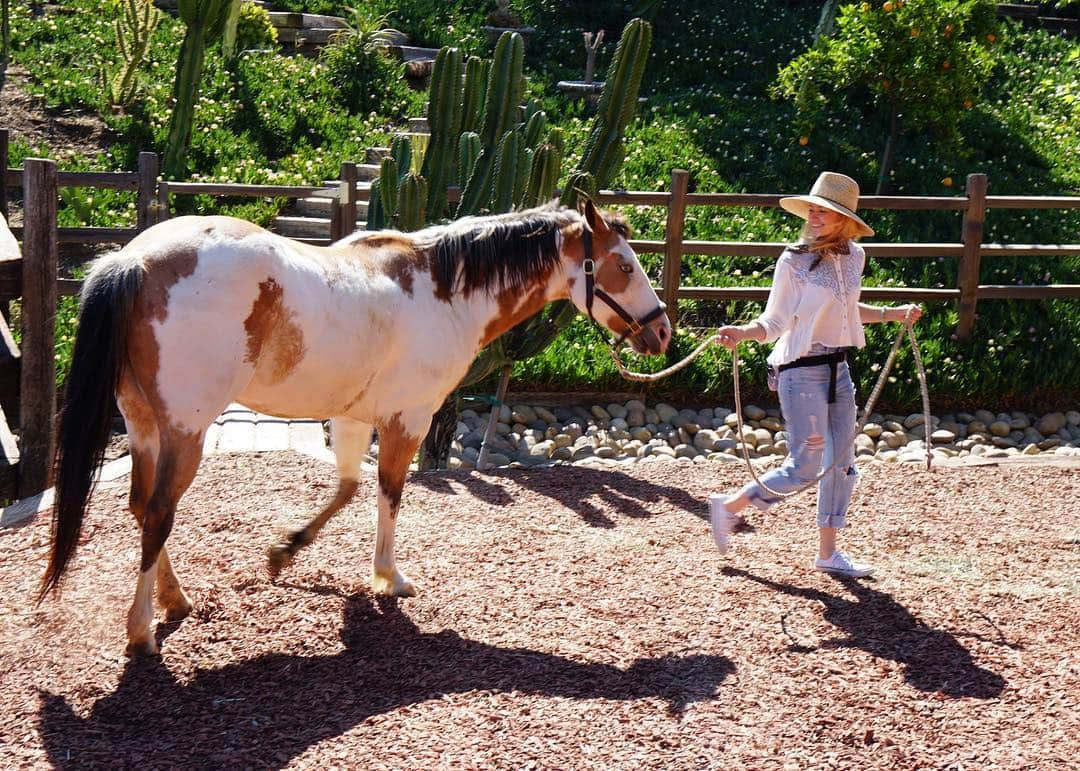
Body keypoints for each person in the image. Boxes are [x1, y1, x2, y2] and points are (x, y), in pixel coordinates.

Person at [710, 171, 922, 577]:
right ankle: (731, 506)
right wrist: (742, 333)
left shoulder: (855, 257)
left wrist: (893, 314)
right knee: (805, 466)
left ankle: (828, 554)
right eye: (813, 208)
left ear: (844, 220)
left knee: (842, 465)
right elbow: (775, 322)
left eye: (825, 211)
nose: (815, 215)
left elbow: (846, 310)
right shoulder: (793, 261)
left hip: (837, 369)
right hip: (800, 372)